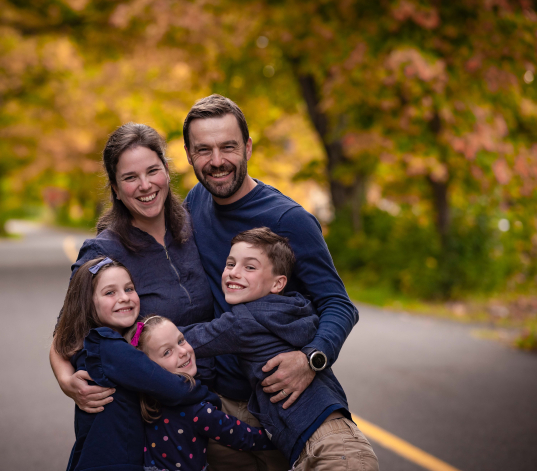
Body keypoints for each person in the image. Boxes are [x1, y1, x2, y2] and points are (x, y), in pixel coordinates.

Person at [182, 94, 361, 470]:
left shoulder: (289, 219)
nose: (217, 161)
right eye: (203, 150)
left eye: (228, 147)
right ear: (188, 154)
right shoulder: (195, 201)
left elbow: (338, 304)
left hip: (283, 405)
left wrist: (310, 358)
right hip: (222, 407)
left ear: (247, 147)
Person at [49, 123, 215, 414]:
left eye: (152, 171)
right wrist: (67, 382)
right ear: (115, 187)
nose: (145, 185)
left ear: (166, 170)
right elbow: (65, 334)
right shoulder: (103, 250)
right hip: (163, 416)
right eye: (130, 177)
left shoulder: (195, 226)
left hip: (221, 396)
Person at [184, 228, 379, 470]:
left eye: (250, 267)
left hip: (330, 452)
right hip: (338, 440)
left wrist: (140, 331)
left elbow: (184, 342)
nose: (234, 273)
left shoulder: (242, 322)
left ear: (278, 283)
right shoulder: (297, 307)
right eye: (230, 263)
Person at [53, 256, 219, 471]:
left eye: (129, 289)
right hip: (113, 463)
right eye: (110, 292)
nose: (124, 298)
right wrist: (210, 399)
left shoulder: (94, 345)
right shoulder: (108, 346)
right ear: (88, 303)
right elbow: (171, 387)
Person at [124, 314, 273, 471]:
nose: (182, 351)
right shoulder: (197, 409)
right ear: (148, 368)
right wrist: (280, 438)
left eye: (181, 340)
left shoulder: (137, 398)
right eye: (167, 352)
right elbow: (243, 436)